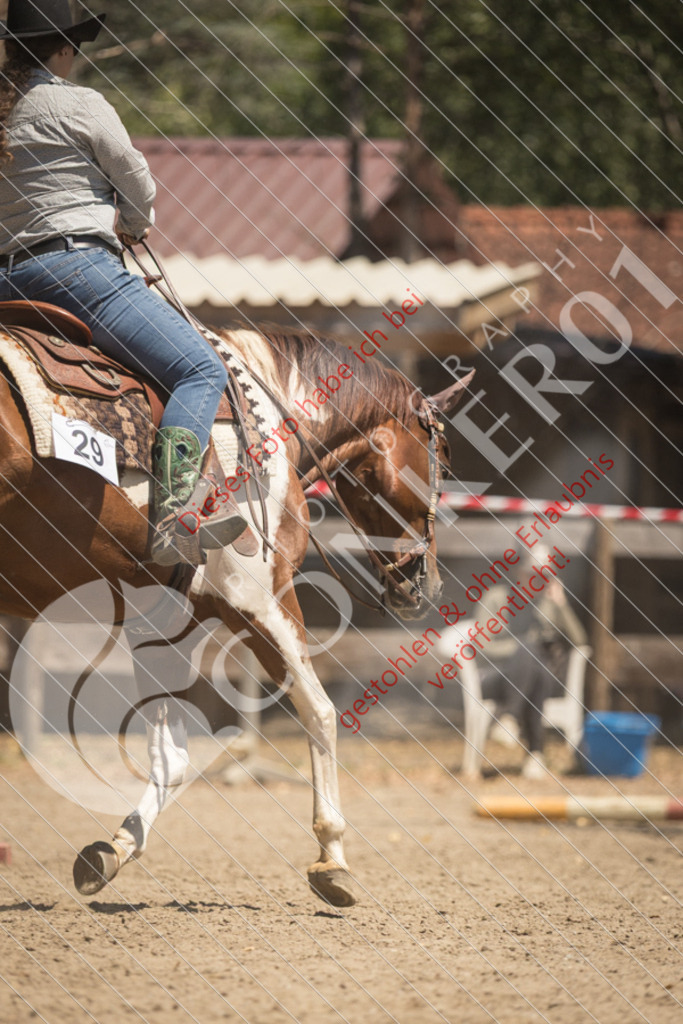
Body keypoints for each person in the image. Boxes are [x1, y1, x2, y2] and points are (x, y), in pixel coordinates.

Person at [0, 0, 246, 566]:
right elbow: (137, 183)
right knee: (202, 368)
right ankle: (178, 512)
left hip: (5, 286)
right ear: (65, 46)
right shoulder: (79, 103)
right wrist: (131, 224)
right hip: (76, 273)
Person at [474, 545, 588, 778]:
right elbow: (481, 645)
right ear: (519, 573)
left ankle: (512, 720)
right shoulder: (497, 598)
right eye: (534, 575)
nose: (539, 582)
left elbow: (580, 641)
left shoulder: (550, 604)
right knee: (529, 650)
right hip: (496, 677)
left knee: (538, 671)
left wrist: (562, 604)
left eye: (545, 576)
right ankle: (535, 752)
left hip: (540, 679)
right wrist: (520, 650)